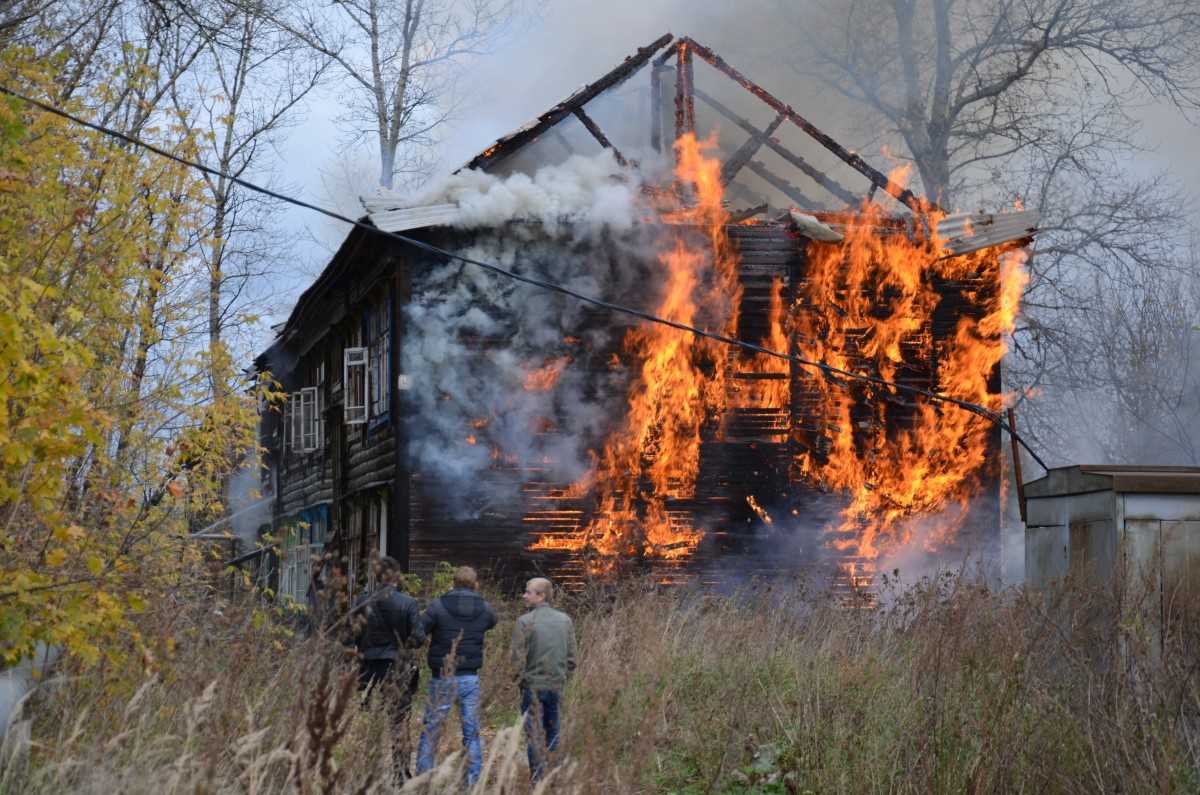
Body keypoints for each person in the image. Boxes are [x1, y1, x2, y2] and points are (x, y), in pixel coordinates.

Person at [415, 566, 498, 785]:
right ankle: (472, 781)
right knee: (471, 730)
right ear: (475, 583)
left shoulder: (438, 606)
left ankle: (424, 779)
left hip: (442, 676)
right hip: (470, 677)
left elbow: (420, 629)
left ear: (453, 582)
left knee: (432, 729)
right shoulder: (485, 608)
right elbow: (492, 622)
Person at [351, 556, 425, 781]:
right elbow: (419, 636)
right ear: (396, 576)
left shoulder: (362, 601)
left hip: (367, 668)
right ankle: (400, 774)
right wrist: (403, 648)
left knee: (369, 721)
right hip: (397, 668)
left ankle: (367, 773)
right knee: (399, 722)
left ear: (377, 576)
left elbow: (351, 633)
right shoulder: (408, 603)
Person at [510, 577, 576, 781]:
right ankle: (553, 779)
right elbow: (572, 659)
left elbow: (517, 661)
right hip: (556, 686)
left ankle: (537, 781)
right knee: (554, 734)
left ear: (541, 596)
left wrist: (520, 682)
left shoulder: (524, 622)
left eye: (528, 592)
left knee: (535, 737)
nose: (524, 595)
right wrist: (563, 678)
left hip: (532, 688)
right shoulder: (565, 620)